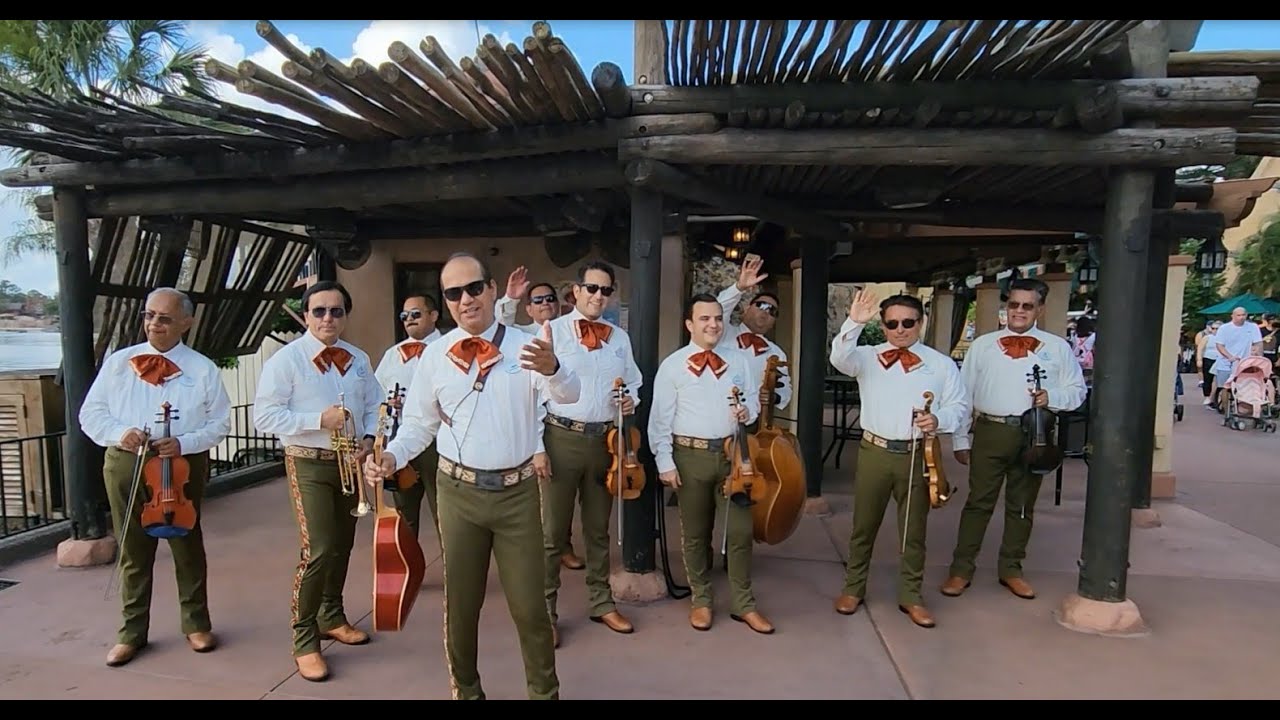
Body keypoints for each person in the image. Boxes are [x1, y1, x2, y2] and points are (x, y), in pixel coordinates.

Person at [363, 251, 580, 701]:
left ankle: (544, 693)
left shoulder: (528, 346)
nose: (466, 299)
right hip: (457, 491)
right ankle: (466, 691)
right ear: (446, 302)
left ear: (493, 289)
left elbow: (570, 396)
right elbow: (420, 424)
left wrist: (554, 369)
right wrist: (392, 458)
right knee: (461, 606)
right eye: (454, 292)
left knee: (530, 608)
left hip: (516, 493)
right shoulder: (435, 355)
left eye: (474, 288)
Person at [79, 287, 232, 668]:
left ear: (186, 322)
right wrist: (120, 433)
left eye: (164, 318)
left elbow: (220, 423)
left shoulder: (202, 368)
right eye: (149, 315)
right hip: (127, 462)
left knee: (187, 544)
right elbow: (91, 414)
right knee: (133, 550)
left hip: (182, 464)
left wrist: (184, 441)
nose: (154, 324)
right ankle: (131, 632)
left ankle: (196, 624)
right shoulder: (119, 362)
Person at [253, 280, 383, 682]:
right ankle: (304, 638)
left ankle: (332, 615)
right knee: (319, 548)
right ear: (306, 315)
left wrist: (367, 438)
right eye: (319, 311)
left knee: (342, 545)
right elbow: (265, 417)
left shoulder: (358, 358)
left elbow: (375, 403)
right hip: (307, 461)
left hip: (348, 460)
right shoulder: (286, 360)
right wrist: (317, 421)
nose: (328, 318)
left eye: (337, 311)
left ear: (346, 315)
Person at [829, 290, 969, 629]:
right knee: (863, 526)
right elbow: (839, 359)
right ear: (884, 325)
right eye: (892, 323)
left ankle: (911, 595)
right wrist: (853, 323)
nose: (900, 329)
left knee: (913, 531)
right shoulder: (866, 355)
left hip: (916, 453)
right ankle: (853, 588)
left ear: (920, 323)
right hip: (875, 451)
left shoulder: (941, 364)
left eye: (908, 322)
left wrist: (939, 421)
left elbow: (959, 407)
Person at [941, 279, 1087, 601]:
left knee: (1022, 506)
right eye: (1014, 305)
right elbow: (964, 394)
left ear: (1040, 309)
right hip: (991, 431)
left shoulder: (1057, 347)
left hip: (1034, 433)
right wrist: (960, 439)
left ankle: (1011, 569)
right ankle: (961, 569)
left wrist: (1052, 395)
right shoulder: (983, 344)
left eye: (1027, 306)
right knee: (978, 503)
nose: (1019, 311)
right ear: (1007, 306)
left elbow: (1077, 392)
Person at [649, 293, 771, 634]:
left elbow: (752, 402)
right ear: (690, 324)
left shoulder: (740, 360)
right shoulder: (673, 365)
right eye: (704, 319)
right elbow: (660, 420)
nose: (713, 324)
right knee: (695, 533)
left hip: (733, 455)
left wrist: (749, 411)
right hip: (689, 455)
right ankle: (701, 599)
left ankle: (743, 603)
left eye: (717, 318)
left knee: (740, 531)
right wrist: (664, 461)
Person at [541, 260, 643, 646]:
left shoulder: (619, 337)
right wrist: (537, 449)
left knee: (599, 529)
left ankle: (601, 602)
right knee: (552, 532)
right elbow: (535, 388)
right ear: (577, 291)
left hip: (607, 441)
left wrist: (630, 398)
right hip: (561, 437)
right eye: (592, 288)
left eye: (606, 290)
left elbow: (634, 379)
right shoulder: (553, 332)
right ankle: (546, 611)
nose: (598, 296)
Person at [497, 266, 583, 571]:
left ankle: (564, 545)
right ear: (529, 308)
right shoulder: (522, 335)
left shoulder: (570, 332)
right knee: (542, 496)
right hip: (534, 425)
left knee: (561, 494)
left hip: (565, 418)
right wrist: (510, 297)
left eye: (550, 299)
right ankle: (545, 550)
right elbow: (500, 322)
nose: (545, 303)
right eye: (538, 300)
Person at [373, 294, 443, 542]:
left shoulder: (447, 349)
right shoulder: (392, 354)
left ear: (433, 316)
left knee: (444, 513)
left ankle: (454, 577)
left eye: (416, 314)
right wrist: (388, 407)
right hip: (401, 440)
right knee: (405, 515)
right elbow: (376, 396)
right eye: (405, 316)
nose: (409, 319)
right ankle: (409, 574)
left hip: (439, 442)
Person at [714, 254, 792, 423]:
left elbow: (785, 391)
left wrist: (773, 396)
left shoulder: (776, 353)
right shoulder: (723, 332)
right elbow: (718, 310)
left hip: (752, 423)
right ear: (747, 309)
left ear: (774, 322)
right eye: (762, 306)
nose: (766, 312)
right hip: (715, 417)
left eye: (773, 311)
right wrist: (739, 287)